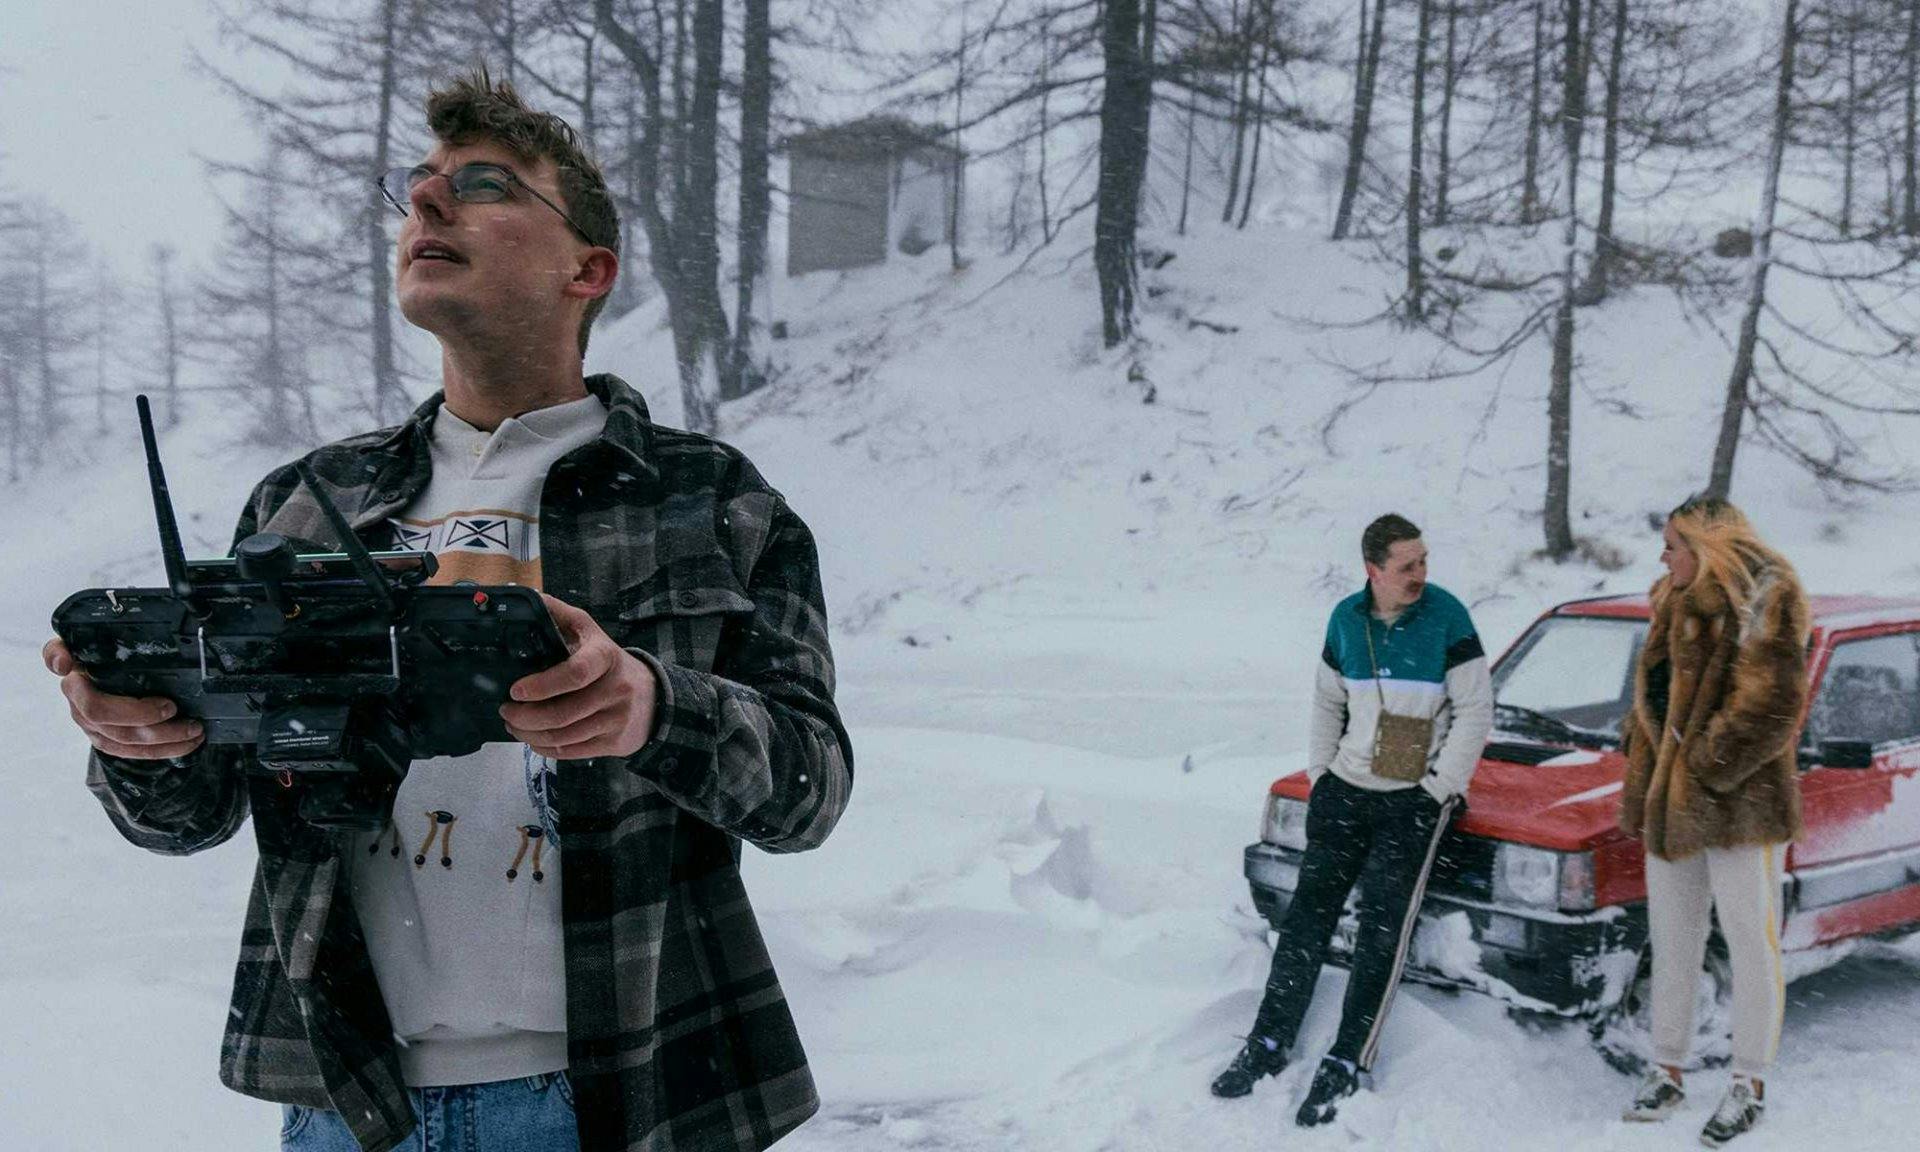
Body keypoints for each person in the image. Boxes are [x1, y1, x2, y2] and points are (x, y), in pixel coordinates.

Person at [42, 70, 851, 1152]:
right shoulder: (303, 505)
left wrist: (653, 705)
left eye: (482, 185)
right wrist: (138, 742)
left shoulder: (713, 501)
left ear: (587, 269)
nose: (426, 204)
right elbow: (188, 815)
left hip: (624, 1097)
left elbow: (811, 791)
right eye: (416, 186)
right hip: (348, 1102)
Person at [1211, 513, 1492, 1126]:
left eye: (1423, 561)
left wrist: (1438, 789)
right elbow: (1326, 699)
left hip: (1411, 803)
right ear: (1374, 570)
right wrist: (1321, 777)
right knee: (1307, 921)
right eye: (1406, 566)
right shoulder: (1344, 620)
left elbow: (1475, 710)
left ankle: (1347, 1059)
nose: (1421, 574)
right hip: (1345, 793)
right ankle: (1267, 1043)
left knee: (1381, 930)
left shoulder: (1448, 618)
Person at [1617, 496, 1807, 1147]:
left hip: (1738, 807)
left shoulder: (1767, 593)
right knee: (1672, 938)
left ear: (1706, 544)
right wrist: (1650, 772)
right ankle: (1667, 1067)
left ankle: (1748, 1082)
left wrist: (1699, 765)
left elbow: (1771, 705)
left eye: (1671, 543)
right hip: (1671, 803)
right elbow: (1652, 699)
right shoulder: (1671, 596)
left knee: (1750, 942)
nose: (1661, 555)